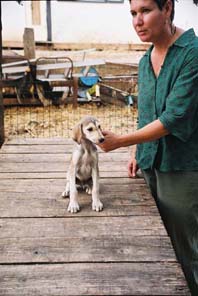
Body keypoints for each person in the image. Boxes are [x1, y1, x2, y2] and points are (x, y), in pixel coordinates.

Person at [98, 0, 198, 294]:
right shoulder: (146, 59)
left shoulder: (192, 54)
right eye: (132, 13)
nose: (137, 21)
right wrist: (135, 151)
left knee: (187, 249)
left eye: (145, 11)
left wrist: (120, 142)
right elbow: (147, 112)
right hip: (149, 164)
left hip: (181, 168)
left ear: (167, 8)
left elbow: (173, 118)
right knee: (157, 245)